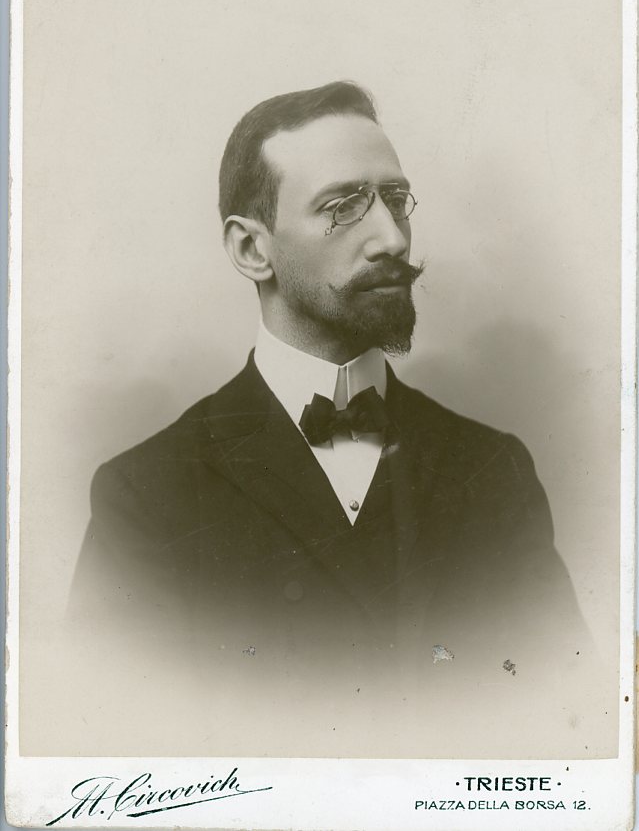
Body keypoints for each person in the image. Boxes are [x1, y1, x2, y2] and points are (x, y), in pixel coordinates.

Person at [71, 81, 607, 756]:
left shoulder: (491, 469)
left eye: (395, 200)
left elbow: (566, 730)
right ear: (252, 250)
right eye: (343, 206)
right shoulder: (146, 493)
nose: (391, 238)